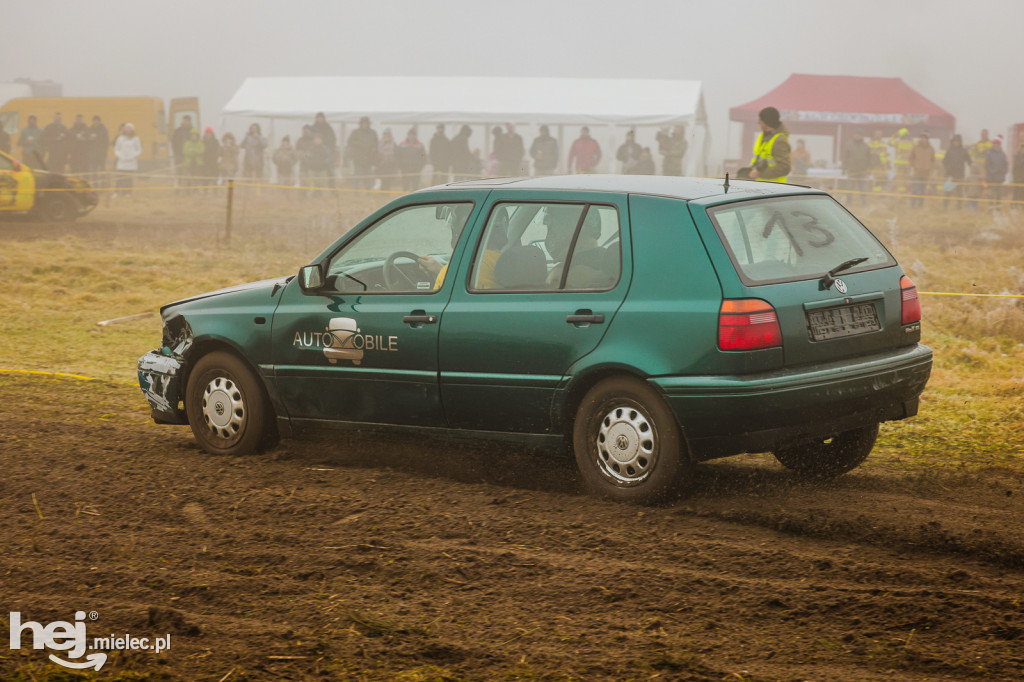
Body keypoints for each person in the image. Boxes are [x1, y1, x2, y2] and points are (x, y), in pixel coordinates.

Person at [747, 106, 790, 182]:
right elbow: (759, 159)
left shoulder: (779, 140)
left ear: (767, 122)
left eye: (761, 119)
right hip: (760, 185)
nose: (758, 122)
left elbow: (784, 168)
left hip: (774, 188)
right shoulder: (762, 136)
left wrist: (759, 173)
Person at [345, 117, 378, 190]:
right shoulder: (355, 132)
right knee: (356, 175)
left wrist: (372, 150)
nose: (364, 125)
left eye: (366, 123)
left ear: (368, 124)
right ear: (360, 124)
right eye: (363, 123)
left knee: (368, 176)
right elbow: (350, 142)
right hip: (358, 158)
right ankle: (356, 190)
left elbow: (376, 144)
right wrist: (359, 144)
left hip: (369, 158)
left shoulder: (373, 133)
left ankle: (368, 190)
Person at [841, 130, 872, 202]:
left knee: (863, 188)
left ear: (862, 136)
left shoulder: (866, 146)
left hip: (863, 171)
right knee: (849, 188)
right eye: (856, 134)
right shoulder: (849, 145)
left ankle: (863, 202)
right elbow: (845, 158)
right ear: (854, 135)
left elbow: (869, 158)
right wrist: (843, 169)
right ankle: (849, 202)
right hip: (851, 170)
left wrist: (869, 169)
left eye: (859, 135)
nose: (857, 136)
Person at [941, 134, 971, 209]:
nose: (956, 143)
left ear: (960, 142)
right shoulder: (949, 150)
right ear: (953, 142)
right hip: (950, 175)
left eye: (958, 141)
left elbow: (970, 161)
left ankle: (959, 207)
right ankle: (945, 206)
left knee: (959, 193)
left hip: (960, 175)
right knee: (947, 191)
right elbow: (944, 161)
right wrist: (948, 169)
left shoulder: (964, 151)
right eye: (955, 141)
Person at [113, 123, 142, 196]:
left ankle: (128, 192)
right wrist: (120, 156)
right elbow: (116, 149)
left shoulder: (136, 139)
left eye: (130, 128)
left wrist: (133, 156)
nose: (128, 130)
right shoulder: (120, 138)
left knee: (129, 178)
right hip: (122, 161)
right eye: (127, 128)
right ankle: (116, 192)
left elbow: (139, 149)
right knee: (120, 177)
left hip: (131, 162)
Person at [908, 133, 934, 208]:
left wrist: (930, 168)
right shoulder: (915, 148)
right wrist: (915, 166)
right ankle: (912, 205)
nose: (923, 139)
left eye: (925, 138)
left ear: (927, 139)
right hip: (917, 173)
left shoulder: (931, 149)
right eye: (922, 138)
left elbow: (932, 160)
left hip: (926, 173)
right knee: (915, 189)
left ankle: (920, 206)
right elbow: (910, 158)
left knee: (923, 190)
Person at [311, 112, 337, 186]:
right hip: (316, 154)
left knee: (330, 172)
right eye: (318, 118)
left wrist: (331, 150)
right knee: (316, 173)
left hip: (327, 152)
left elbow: (333, 139)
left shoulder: (328, 128)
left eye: (321, 118)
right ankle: (317, 190)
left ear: (323, 119)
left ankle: (332, 189)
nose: (319, 119)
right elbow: (310, 140)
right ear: (316, 119)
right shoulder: (313, 128)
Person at [889, 128, 914, 193]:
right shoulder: (912, 143)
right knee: (906, 179)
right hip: (908, 164)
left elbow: (889, 142)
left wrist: (894, 135)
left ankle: (900, 193)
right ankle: (905, 193)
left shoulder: (897, 142)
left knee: (900, 180)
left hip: (899, 164)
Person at [985, 135, 1008, 204]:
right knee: (991, 194)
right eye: (994, 143)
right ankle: (991, 208)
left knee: (999, 195)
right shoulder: (989, 154)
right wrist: (992, 171)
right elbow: (987, 165)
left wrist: (1003, 172)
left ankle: (998, 208)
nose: (995, 145)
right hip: (991, 177)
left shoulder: (1003, 154)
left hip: (1000, 178)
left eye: (997, 143)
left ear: (999, 144)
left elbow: (1006, 164)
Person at [1013, 140, 1024, 204]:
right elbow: (1017, 165)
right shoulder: (1017, 156)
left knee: (1022, 194)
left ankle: (1021, 207)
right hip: (1018, 178)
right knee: (1016, 193)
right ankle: (1013, 206)